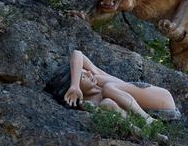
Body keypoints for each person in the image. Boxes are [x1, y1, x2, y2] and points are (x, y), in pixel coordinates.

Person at [47, 50, 181, 123]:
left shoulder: (98, 78)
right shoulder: (91, 102)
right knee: (107, 101)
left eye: (83, 72)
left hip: (163, 100)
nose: (88, 73)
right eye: (82, 76)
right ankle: (147, 123)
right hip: (156, 113)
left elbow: (77, 54)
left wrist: (75, 84)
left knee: (108, 88)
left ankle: (148, 120)